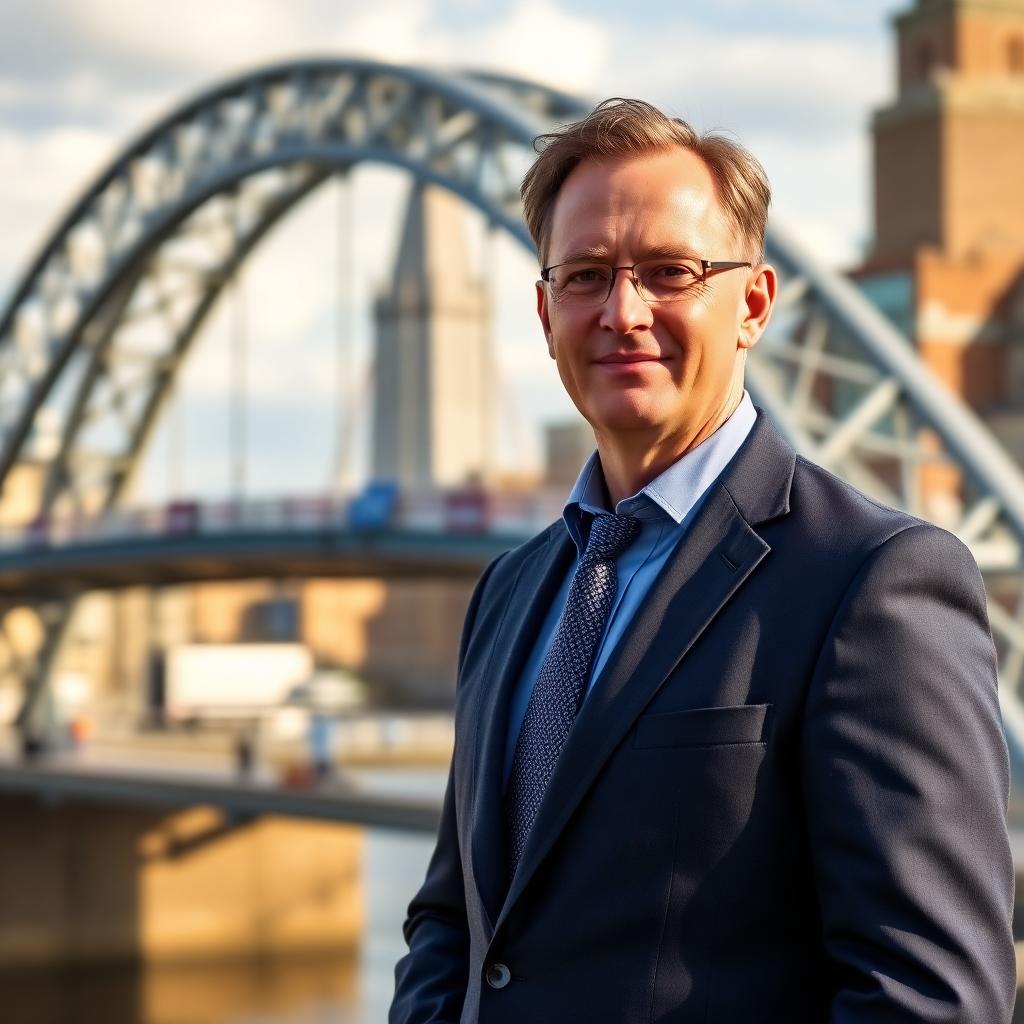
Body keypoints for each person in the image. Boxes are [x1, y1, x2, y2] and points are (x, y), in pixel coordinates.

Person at [389, 98, 1016, 1023]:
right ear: (543, 309)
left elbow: (931, 998)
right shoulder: (511, 590)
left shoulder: (874, 582)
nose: (623, 311)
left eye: (669, 273)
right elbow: (455, 923)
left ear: (753, 304)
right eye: (587, 276)